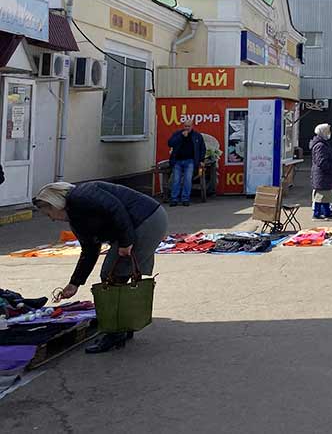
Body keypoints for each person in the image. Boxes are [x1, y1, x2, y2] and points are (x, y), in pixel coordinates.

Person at [33, 181, 168, 354]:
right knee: (116, 276)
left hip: (145, 220)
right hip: (143, 220)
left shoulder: (82, 196)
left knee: (111, 277)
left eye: (49, 213)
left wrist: (126, 241)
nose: (51, 218)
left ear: (55, 203)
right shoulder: (77, 214)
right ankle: (123, 327)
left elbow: (116, 209)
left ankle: (114, 333)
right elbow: (89, 250)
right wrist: (74, 283)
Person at [166, 119, 206, 207]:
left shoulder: (197, 136)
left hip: (190, 161)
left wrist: (201, 160)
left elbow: (202, 148)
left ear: (192, 126)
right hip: (177, 160)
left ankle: (185, 199)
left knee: (187, 180)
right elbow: (170, 143)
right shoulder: (178, 134)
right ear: (183, 126)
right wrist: (181, 136)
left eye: (188, 126)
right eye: (185, 126)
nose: (187, 128)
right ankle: (174, 199)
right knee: (176, 180)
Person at [310, 124, 332, 219]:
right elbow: (321, 161)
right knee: (320, 196)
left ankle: (327, 212)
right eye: (327, 131)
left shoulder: (323, 143)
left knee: (326, 195)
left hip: (324, 175)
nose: (329, 133)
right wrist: (331, 168)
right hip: (322, 175)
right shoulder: (320, 145)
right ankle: (317, 213)